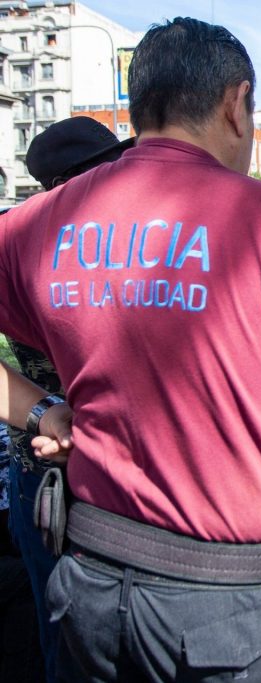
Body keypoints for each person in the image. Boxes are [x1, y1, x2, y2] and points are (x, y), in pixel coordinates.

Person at [0, 17, 261, 682]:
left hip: (88, 596)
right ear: (237, 104)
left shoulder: (38, 223)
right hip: (233, 616)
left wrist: (40, 411)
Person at [4, 116, 134, 683]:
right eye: (106, 169)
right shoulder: (16, 242)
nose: (123, 177)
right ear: (67, 184)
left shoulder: (133, 237)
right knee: (68, 641)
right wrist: (42, 411)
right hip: (49, 482)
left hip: (128, 477)